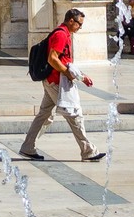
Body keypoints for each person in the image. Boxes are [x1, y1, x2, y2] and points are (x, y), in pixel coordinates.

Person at [20, 8, 104, 163]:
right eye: (79, 24)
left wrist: (81, 76)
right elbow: (53, 59)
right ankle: (88, 151)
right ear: (71, 20)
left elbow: (64, 60)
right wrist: (67, 73)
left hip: (53, 80)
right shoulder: (61, 34)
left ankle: (28, 147)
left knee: (45, 115)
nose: (80, 27)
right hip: (56, 81)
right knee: (74, 115)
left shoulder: (65, 33)